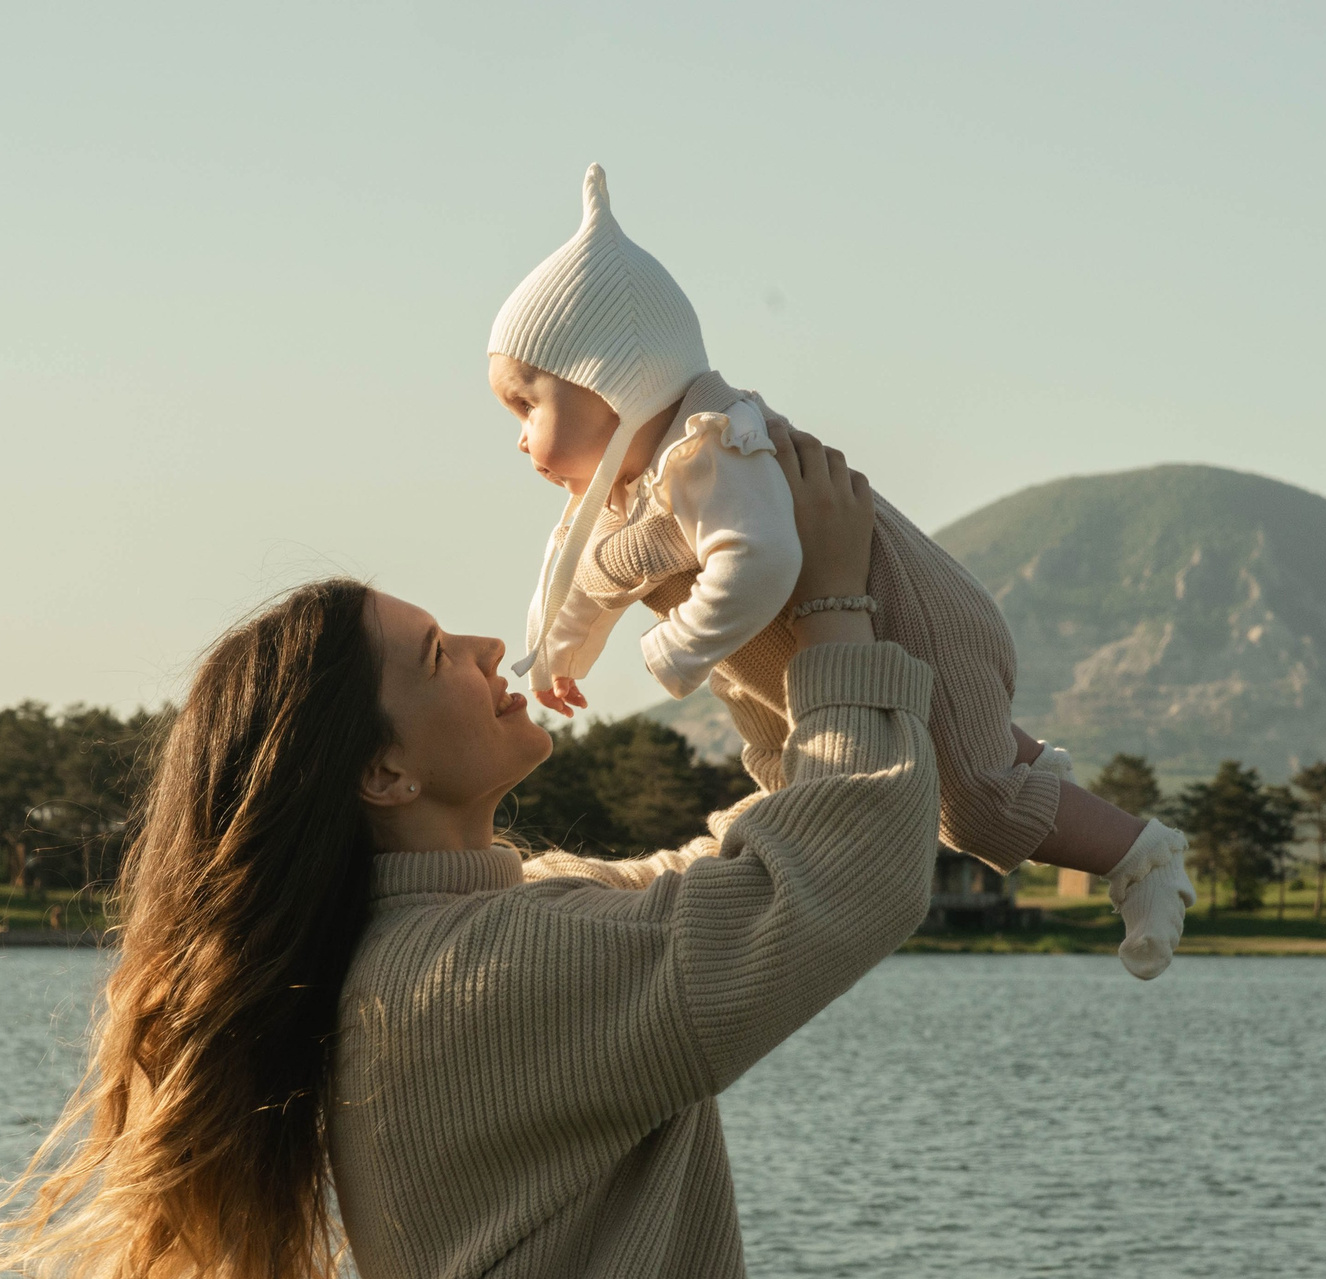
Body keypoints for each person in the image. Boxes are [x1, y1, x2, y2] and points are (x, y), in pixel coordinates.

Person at [0, 432, 932, 1279]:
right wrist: (838, 608)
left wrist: (750, 624)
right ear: (384, 770)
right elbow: (842, 879)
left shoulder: (466, 941)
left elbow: (753, 863)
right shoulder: (493, 972)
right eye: (434, 655)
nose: (487, 647)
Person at [489, 164, 1194, 976]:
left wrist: (673, 649)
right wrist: (559, 653)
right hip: (807, 666)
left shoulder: (716, 447)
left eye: (528, 404)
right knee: (821, 782)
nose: (519, 435)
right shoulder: (625, 491)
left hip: (906, 623)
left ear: (614, 377)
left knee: (970, 805)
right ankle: (1032, 779)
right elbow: (584, 573)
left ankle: (1143, 856)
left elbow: (762, 561)